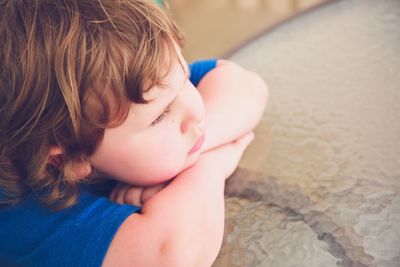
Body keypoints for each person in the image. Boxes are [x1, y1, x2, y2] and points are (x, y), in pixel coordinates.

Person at [0, 0, 268, 266]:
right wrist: (213, 163)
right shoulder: (18, 208)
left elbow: (245, 86)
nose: (195, 111)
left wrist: (200, 142)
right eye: (161, 116)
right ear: (67, 157)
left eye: (185, 79)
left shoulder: (144, 90)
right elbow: (173, 255)